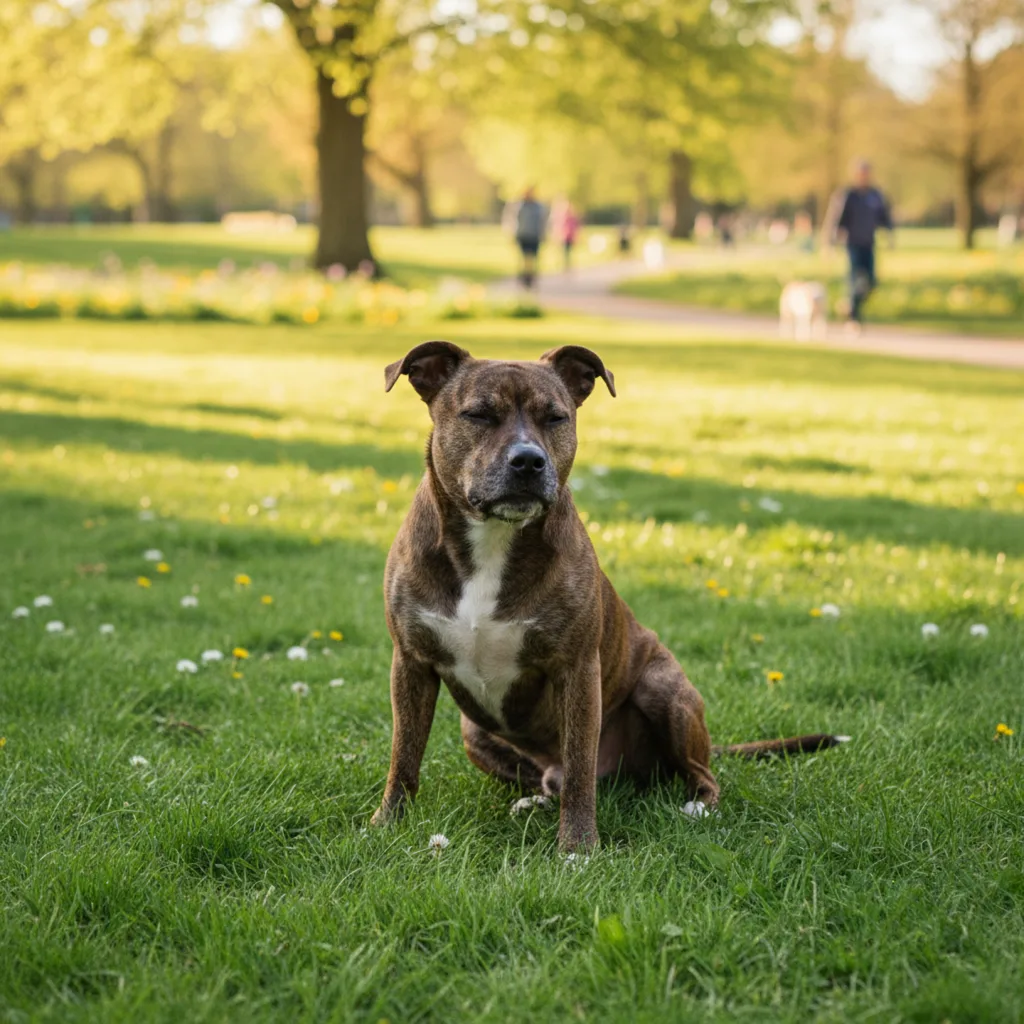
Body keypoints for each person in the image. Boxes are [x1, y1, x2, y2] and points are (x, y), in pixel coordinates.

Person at [824, 160, 894, 333]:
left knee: (871, 282)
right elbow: (836, 220)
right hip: (852, 243)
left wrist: (890, 235)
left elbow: (884, 217)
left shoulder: (875, 195)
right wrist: (830, 243)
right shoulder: (847, 195)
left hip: (869, 243)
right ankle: (854, 318)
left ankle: (849, 304)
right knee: (854, 280)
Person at [502, 187, 547, 289]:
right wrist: (511, 233)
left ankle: (531, 278)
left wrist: (543, 234)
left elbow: (542, 221)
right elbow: (512, 220)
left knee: (533, 259)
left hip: (534, 235)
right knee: (523, 258)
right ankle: (523, 278)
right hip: (523, 235)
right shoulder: (519, 206)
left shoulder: (538, 207)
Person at [551, 199, 580, 271]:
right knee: (564, 252)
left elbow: (575, 227)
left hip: (570, 237)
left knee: (568, 252)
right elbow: (559, 227)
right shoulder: (562, 217)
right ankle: (564, 265)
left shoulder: (572, 217)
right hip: (564, 236)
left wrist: (576, 236)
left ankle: (568, 265)